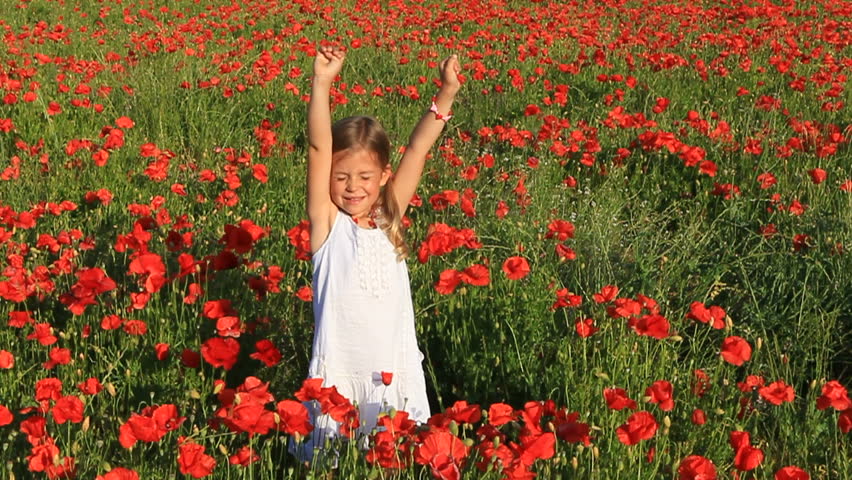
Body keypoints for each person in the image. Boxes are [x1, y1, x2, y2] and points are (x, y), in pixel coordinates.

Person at [294, 45, 461, 462]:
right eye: (342, 177)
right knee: (338, 461)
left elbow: (418, 148)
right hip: (342, 372)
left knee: (394, 458)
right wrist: (322, 83)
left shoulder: (390, 217)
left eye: (365, 176)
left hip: (391, 364)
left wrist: (447, 92)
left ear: (384, 175)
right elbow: (318, 149)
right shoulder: (328, 225)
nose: (352, 187)